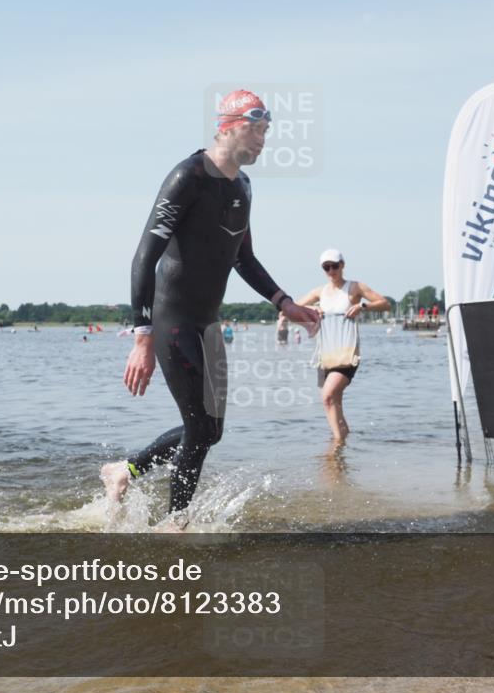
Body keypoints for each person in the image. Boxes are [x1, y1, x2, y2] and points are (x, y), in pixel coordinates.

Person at [100, 89, 321, 529]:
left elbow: (242, 257)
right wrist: (142, 336)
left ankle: (124, 472)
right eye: (256, 129)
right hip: (172, 320)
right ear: (229, 125)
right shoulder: (188, 177)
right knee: (199, 429)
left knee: (211, 432)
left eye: (267, 131)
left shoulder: (244, 185)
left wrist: (284, 302)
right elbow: (144, 256)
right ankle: (175, 525)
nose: (263, 140)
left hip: (208, 324)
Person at [295, 249, 390, 444]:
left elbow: (385, 304)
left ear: (342, 265)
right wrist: (313, 308)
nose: (331, 270)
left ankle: (336, 446)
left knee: (327, 395)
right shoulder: (319, 292)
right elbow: (293, 308)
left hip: (347, 355)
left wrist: (362, 306)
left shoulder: (354, 287)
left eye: (334, 266)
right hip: (326, 356)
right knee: (333, 402)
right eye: (326, 267)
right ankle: (341, 442)